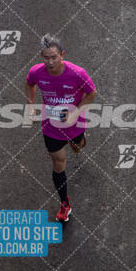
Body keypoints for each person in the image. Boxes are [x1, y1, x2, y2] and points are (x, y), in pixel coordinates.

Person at [25, 35, 97, 222]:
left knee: (77, 147)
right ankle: (65, 204)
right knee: (58, 162)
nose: (50, 62)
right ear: (41, 56)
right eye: (46, 57)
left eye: (54, 57)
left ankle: (80, 142)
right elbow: (29, 84)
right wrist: (30, 106)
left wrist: (74, 114)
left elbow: (91, 93)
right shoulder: (36, 72)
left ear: (62, 55)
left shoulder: (77, 73)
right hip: (51, 126)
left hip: (75, 123)